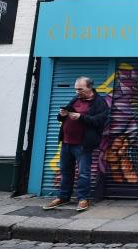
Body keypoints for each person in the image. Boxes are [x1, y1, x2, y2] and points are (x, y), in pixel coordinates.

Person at [42, 77, 110, 212]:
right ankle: (63, 196)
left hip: (83, 145)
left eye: (80, 89)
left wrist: (81, 117)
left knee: (84, 173)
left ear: (89, 88)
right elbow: (63, 117)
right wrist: (61, 115)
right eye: (76, 89)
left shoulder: (99, 102)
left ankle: (83, 199)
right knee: (66, 172)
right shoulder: (75, 99)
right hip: (66, 143)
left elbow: (100, 121)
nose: (77, 91)